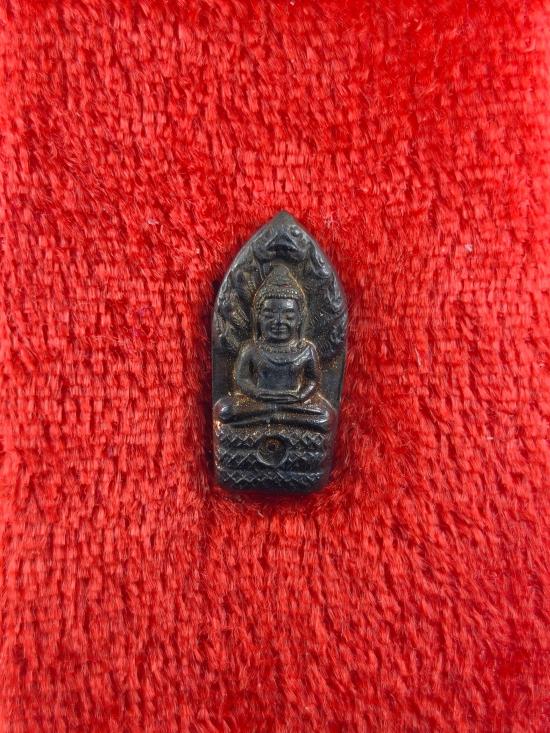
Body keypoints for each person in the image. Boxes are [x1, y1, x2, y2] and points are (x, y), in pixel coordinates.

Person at [215, 264, 334, 432]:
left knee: (325, 416)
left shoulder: (306, 350)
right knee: (225, 411)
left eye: (288, 315)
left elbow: (312, 379)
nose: (278, 321)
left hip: (294, 403)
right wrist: (257, 393)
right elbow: (242, 378)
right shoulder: (251, 348)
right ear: (257, 317)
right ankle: (276, 418)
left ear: (300, 318)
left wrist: (300, 395)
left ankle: (272, 419)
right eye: (269, 315)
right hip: (260, 401)